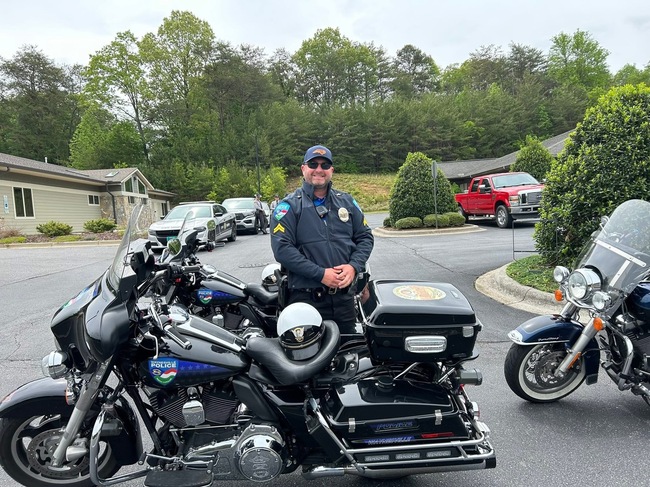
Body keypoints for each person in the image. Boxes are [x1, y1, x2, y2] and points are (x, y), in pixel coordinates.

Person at [271, 145, 374, 334]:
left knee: (349, 348)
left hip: (344, 301)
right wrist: (321, 274)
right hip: (306, 301)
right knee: (308, 351)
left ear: (331, 170)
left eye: (325, 165)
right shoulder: (289, 206)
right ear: (303, 168)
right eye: (313, 164)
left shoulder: (347, 202)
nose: (319, 169)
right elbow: (282, 250)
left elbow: (365, 237)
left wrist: (353, 266)